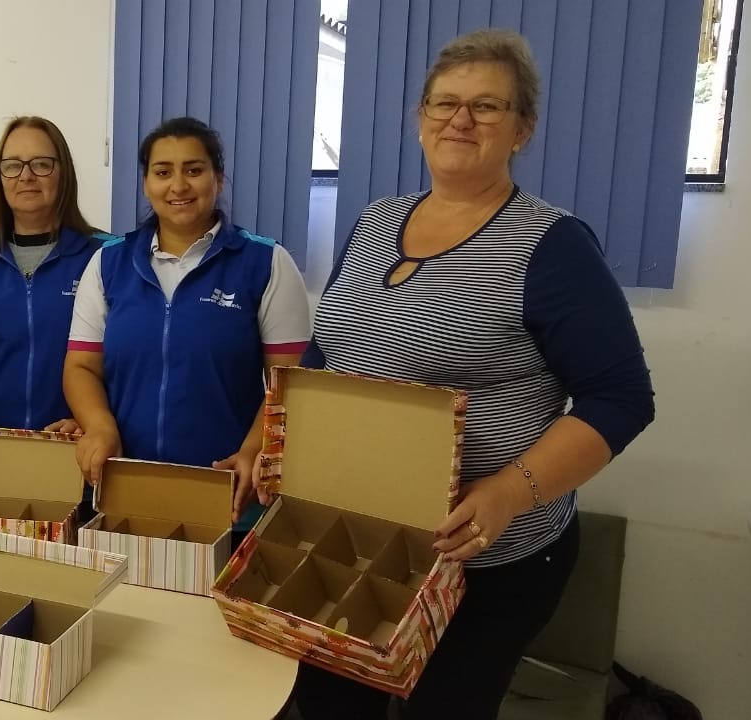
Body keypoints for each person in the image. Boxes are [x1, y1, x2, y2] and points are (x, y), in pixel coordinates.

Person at [272, 29, 655, 719]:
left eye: (487, 107)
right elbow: (329, 356)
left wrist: (511, 491)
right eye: (445, 102)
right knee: (329, 709)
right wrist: (277, 446)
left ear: (522, 130)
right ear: (420, 118)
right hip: (362, 537)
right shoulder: (372, 220)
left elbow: (620, 399)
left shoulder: (552, 244)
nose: (460, 119)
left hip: (484, 562)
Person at [64, 116, 311, 530]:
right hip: (124, 484)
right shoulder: (110, 262)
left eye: (193, 170)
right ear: (146, 183)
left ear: (219, 178)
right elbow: (81, 367)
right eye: (163, 172)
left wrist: (254, 449)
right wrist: (100, 428)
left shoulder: (266, 263)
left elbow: (291, 383)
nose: (178, 186)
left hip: (227, 490)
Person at [0, 116, 101, 452]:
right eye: (12, 166)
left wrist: (94, 419)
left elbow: (126, 360)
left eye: (41, 164)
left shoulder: (104, 258)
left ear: (63, 172)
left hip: (75, 453)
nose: (26, 176)